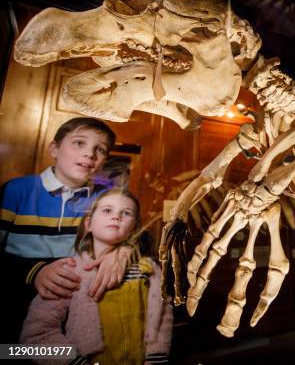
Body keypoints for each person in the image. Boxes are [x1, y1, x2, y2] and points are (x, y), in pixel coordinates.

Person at [0, 117, 129, 342]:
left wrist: (122, 251)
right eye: (79, 143)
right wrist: (35, 271)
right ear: (54, 148)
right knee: (15, 355)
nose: (90, 154)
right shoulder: (16, 191)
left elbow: (142, 236)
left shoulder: (106, 198)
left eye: (100, 149)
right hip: (14, 304)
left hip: (75, 311)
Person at [21, 188, 173, 364]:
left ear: (134, 230)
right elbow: (37, 334)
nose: (116, 217)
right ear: (88, 224)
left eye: (126, 213)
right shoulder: (69, 272)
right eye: (107, 210)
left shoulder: (149, 269)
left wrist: (156, 358)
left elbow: (162, 316)